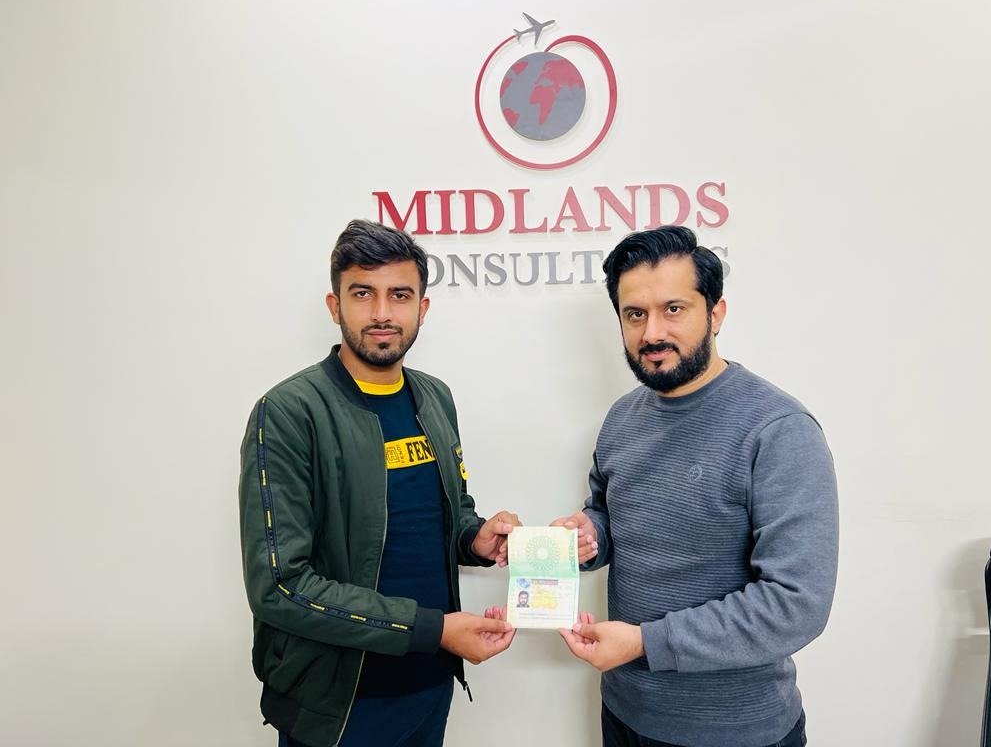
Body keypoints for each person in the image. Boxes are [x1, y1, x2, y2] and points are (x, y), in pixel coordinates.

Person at [554, 226, 838, 747]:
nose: (652, 332)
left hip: (735, 731)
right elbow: (608, 513)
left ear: (716, 313)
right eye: (634, 314)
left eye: (674, 309)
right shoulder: (621, 419)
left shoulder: (779, 430)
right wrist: (587, 535)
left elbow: (796, 604)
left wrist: (646, 643)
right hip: (625, 711)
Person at [239, 220, 519, 747]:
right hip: (338, 703)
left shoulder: (435, 397)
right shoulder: (289, 412)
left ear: (423, 308)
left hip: (430, 683)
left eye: (400, 295)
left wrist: (476, 538)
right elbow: (279, 586)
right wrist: (435, 630)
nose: (382, 313)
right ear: (335, 305)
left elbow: (449, 511)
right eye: (363, 294)